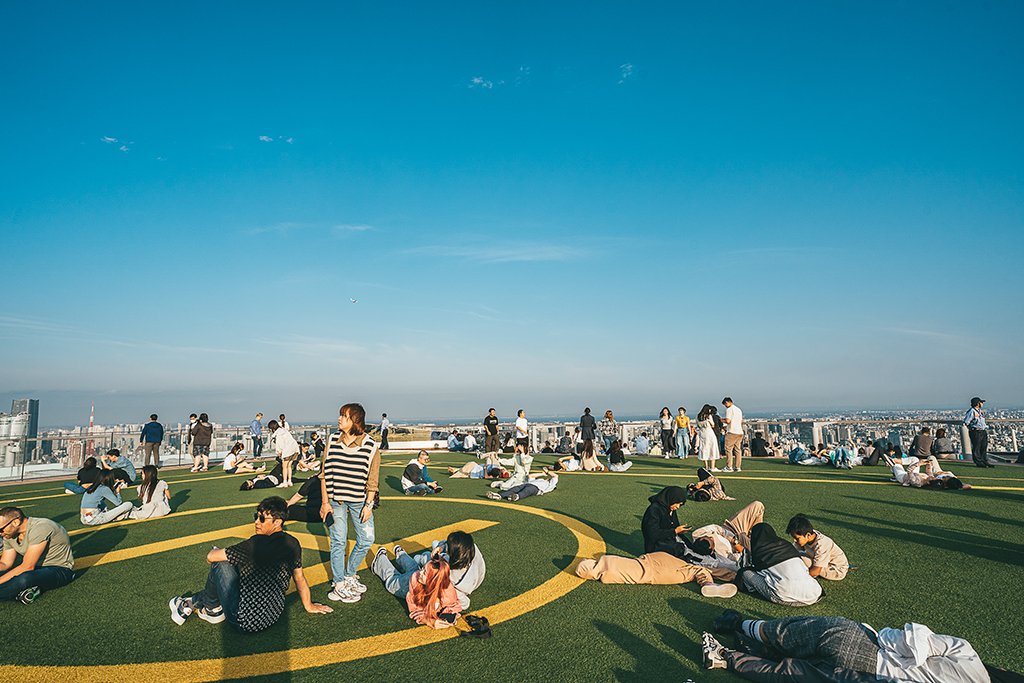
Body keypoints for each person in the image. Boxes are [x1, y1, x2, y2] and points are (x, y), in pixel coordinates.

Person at [169, 496, 332, 632]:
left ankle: (207, 607)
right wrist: (309, 605)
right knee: (236, 562)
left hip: (243, 622)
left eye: (262, 518)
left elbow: (211, 557)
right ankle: (198, 603)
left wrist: (216, 551)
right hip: (272, 616)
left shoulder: (253, 545)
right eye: (256, 516)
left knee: (220, 563)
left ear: (277, 522)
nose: (257, 522)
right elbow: (299, 578)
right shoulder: (292, 543)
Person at [702, 612, 991, 682]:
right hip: (866, 678)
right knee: (787, 673)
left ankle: (740, 627)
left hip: (868, 652)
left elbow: (913, 639)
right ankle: (725, 657)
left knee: (789, 633)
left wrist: (881, 637)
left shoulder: (971, 660)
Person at [319, 403, 380, 604]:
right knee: (338, 541)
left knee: (366, 539)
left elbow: (373, 481)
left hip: (359, 501)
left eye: (344, 416)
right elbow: (324, 475)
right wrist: (325, 503)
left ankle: (349, 574)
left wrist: (369, 505)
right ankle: (339, 584)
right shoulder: (332, 439)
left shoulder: (370, 446)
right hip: (335, 501)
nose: (339, 419)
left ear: (355, 421)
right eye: (340, 415)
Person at [372, 531, 485, 611]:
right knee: (422, 571)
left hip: (423, 590)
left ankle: (381, 561)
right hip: (448, 581)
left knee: (396, 582)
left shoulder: (451, 582)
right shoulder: (471, 549)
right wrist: (442, 546)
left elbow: (464, 603)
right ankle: (402, 557)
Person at [576, 550, 737, 597]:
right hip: (655, 562)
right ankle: (717, 581)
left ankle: (711, 583)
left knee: (694, 569)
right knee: (695, 568)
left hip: (656, 569)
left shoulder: (607, 572)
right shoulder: (607, 564)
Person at [0, 507, 75, 603]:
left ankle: (16, 593)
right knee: (21, 576)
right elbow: (5, 563)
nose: (0, 533)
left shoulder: (41, 527)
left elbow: (27, 566)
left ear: (16, 522)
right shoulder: (9, 534)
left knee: (25, 578)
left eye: (1, 529)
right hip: (36, 569)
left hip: (59, 570)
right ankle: (19, 594)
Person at [738, 522, 822, 607]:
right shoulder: (787, 545)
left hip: (783, 596)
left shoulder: (761, 552)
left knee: (745, 573)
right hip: (814, 593)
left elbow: (758, 570)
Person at [786, 513, 848, 581]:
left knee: (803, 560)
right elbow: (791, 551)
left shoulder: (822, 544)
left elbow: (816, 571)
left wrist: (799, 580)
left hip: (836, 570)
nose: (794, 540)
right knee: (798, 554)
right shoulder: (807, 535)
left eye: (796, 538)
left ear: (808, 535)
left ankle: (804, 573)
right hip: (824, 563)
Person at [641, 486, 693, 558]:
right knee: (679, 549)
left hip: (668, 539)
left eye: (680, 505)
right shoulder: (654, 509)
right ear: (672, 499)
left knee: (691, 546)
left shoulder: (670, 507)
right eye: (677, 503)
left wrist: (679, 531)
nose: (678, 507)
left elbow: (674, 526)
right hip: (654, 545)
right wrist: (674, 531)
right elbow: (652, 534)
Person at [886, 453, 972, 490]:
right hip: (915, 473)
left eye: (945, 478)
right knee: (915, 459)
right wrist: (928, 464)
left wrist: (919, 464)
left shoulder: (917, 482)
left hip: (903, 476)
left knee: (896, 466)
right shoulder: (932, 479)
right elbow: (929, 472)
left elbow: (909, 471)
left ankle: (893, 468)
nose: (944, 477)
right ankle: (894, 461)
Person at [486, 468, 558, 502]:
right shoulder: (540, 480)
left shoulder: (550, 485)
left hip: (536, 488)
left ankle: (517, 497)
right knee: (514, 489)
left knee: (527, 491)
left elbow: (555, 476)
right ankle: (499, 496)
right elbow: (530, 476)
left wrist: (548, 472)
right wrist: (542, 474)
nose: (548, 479)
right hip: (528, 484)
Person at [268, 419, 299, 488]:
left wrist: (279, 452)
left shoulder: (279, 433)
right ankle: (289, 481)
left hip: (288, 449)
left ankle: (285, 482)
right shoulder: (283, 430)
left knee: (284, 466)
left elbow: (280, 444)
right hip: (295, 448)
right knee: (289, 466)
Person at [964, 397, 992, 468]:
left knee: (983, 446)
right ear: (977, 403)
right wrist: (972, 428)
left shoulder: (980, 411)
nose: (982, 404)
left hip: (982, 430)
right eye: (981, 402)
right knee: (977, 447)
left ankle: (984, 461)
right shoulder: (972, 411)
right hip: (976, 431)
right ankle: (979, 462)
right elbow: (966, 422)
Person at [697, 405, 722, 470]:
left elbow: (698, 425)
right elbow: (713, 424)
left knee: (704, 448)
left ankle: (707, 466)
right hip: (709, 432)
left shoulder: (699, 416)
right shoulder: (708, 416)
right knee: (712, 448)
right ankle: (712, 467)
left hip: (702, 433)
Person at [722, 398, 743, 472]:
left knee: (728, 449)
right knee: (737, 450)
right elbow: (740, 421)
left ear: (727, 402)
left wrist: (721, 420)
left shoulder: (729, 410)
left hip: (732, 431)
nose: (725, 406)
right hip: (739, 432)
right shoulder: (738, 409)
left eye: (725, 404)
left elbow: (728, 420)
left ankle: (729, 466)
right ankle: (737, 467)